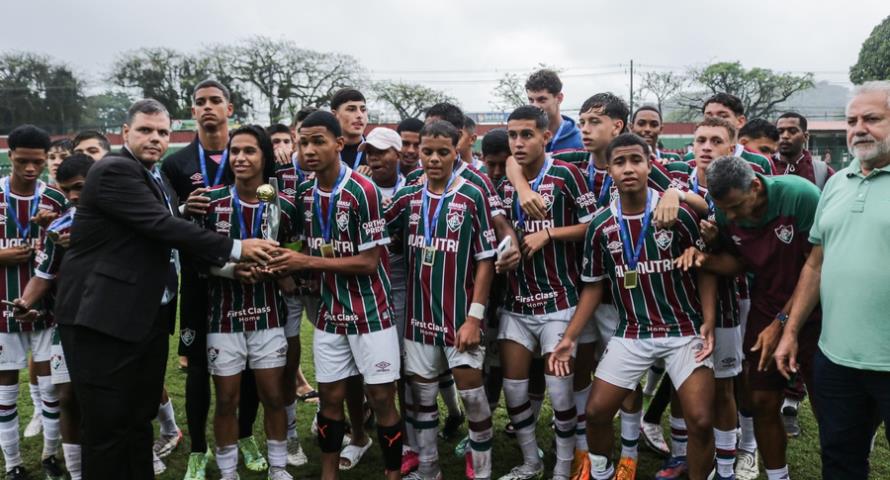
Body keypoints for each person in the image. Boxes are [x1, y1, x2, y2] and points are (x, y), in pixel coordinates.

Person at [54, 99, 277, 480]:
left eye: (162, 132)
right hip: (102, 320)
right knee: (108, 427)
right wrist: (238, 249)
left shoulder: (153, 175)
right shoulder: (114, 169)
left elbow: (164, 226)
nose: (155, 138)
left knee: (137, 420)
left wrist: (193, 225)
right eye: (145, 130)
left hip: (142, 318)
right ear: (124, 133)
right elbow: (161, 226)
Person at [550, 132, 717, 480]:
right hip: (633, 331)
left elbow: (706, 267)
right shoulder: (600, 225)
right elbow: (594, 287)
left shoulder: (679, 213)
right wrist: (570, 337)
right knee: (596, 413)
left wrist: (709, 319)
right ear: (609, 169)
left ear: (649, 165)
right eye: (620, 162)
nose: (629, 168)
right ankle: (601, 472)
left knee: (701, 419)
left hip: (683, 329)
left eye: (636, 160)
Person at [269, 110, 404, 480]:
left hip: (371, 314)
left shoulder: (364, 190)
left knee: (380, 399)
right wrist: (287, 263)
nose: (309, 150)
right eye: (303, 142)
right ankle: (329, 475)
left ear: (339, 144)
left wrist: (305, 260)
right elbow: (300, 242)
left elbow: (368, 261)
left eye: (318, 141)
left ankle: (393, 475)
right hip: (329, 314)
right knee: (329, 399)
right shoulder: (304, 193)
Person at [674, 155, 823, 480]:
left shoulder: (800, 195)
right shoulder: (728, 213)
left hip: (819, 312)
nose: (730, 216)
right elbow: (738, 262)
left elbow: (819, 267)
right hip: (766, 309)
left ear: (755, 185)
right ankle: (777, 476)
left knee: (829, 408)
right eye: (723, 209)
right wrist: (705, 259)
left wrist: (784, 324)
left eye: (736, 207)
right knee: (761, 400)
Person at [773, 81, 890, 480]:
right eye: (852, 120)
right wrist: (790, 332)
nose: (859, 128)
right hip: (836, 360)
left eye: (872, 119)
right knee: (839, 461)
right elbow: (815, 265)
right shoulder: (836, 184)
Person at [163, 79, 268, 477]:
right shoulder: (177, 163)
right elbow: (168, 222)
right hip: (199, 279)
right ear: (192, 111)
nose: (207, 108)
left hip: (248, 278)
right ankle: (198, 449)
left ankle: (244, 435)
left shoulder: (248, 152)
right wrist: (183, 209)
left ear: (230, 108)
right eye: (199, 102)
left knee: (250, 367)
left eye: (215, 101)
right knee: (197, 368)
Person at [386, 120, 497, 480]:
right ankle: (429, 470)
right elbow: (376, 236)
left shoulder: (471, 195)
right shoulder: (406, 198)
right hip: (417, 321)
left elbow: (485, 260)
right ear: (418, 152)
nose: (434, 159)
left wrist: (475, 318)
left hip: (459, 319)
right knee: (421, 402)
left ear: (456, 152)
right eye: (427, 152)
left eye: (442, 152)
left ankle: (481, 471)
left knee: (475, 398)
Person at [496, 105, 598, 480]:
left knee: (560, 396)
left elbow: (593, 226)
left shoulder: (568, 174)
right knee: (515, 392)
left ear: (545, 136)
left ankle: (564, 466)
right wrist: (506, 251)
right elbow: (502, 223)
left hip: (559, 301)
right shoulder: (507, 181)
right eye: (513, 135)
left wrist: (549, 233)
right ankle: (530, 462)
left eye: (527, 134)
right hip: (516, 304)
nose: (519, 142)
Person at [194, 125, 298, 480]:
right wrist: (231, 272)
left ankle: (279, 468)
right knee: (226, 400)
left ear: (264, 157)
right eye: (234, 151)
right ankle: (227, 472)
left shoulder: (283, 206)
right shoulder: (210, 202)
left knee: (272, 396)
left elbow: (295, 254)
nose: (240, 158)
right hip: (223, 319)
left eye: (249, 151)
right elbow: (195, 260)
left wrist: (278, 270)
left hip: (268, 316)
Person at [645, 118, 744, 480]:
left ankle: (728, 466)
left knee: (722, 387)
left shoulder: (738, 187)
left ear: (731, 148)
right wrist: (675, 193)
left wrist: (713, 241)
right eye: (700, 139)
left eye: (716, 140)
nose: (706, 147)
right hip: (676, 304)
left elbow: (741, 257)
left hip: (723, 303)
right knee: (678, 382)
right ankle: (680, 455)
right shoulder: (675, 178)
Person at [14, 153, 94, 480]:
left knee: (112, 399)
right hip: (69, 323)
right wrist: (25, 300)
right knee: (68, 397)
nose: (73, 196)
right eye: (66, 189)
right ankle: (75, 472)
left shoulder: (123, 217)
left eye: (79, 187)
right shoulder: (60, 226)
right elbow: (44, 274)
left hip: (115, 325)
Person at [0, 125, 67, 480]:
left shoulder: (55, 199)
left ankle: (49, 457)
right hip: (2, 312)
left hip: (46, 311)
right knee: (6, 393)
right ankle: (13, 465)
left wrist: (54, 230)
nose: (30, 169)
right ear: (9, 156)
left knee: (51, 390)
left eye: (37, 162)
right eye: (22, 161)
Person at [684, 93, 774, 175]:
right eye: (708, 116)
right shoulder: (690, 158)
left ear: (740, 121)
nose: (715, 120)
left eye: (723, 116)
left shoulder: (759, 162)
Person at [525, 69, 583, 153]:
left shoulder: (580, 141)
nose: (535, 106)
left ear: (559, 98)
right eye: (531, 100)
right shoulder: (523, 140)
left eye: (542, 100)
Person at [774, 112, 834, 189]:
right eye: (780, 132)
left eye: (792, 131)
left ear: (805, 136)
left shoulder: (823, 172)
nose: (785, 136)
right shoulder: (765, 167)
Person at [330, 88, 371, 176]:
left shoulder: (374, 152)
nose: (360, 115)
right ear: (334, 115)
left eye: (363, 110)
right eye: (351, 109)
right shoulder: (325, 151)